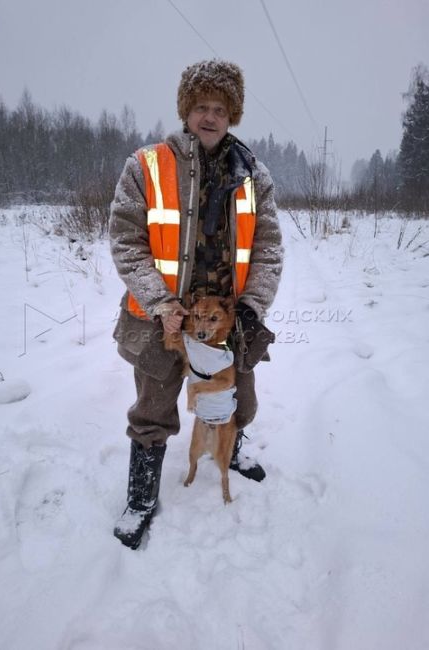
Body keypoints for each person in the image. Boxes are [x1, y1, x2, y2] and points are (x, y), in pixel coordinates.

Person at [109, 59, 283, 549]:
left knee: (238, 397)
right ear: (186, 111)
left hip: (229, 316)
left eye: (220, 109)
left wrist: (252, 305)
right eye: (201, 106)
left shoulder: (254, 174)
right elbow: (126, 240)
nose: (210, 116)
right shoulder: (145, 166)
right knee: (152, 405)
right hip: (162, 316)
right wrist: (161, 302)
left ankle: (232, 448)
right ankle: (141, 496)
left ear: (233, 116)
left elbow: (268, 246)